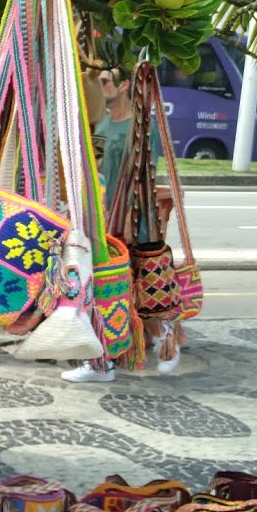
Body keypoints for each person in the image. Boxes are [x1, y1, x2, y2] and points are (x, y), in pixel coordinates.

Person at [62, 68, 179, 382]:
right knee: (112, 284)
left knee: (132, 283)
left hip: (127, 216)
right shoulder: (100, 123)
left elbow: (144, 176)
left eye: (105, 82)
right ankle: (115, 350)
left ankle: (153, 339)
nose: (100, 87)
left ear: (125, 85)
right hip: (100, 214)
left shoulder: (138, 127)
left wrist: (130, 216)